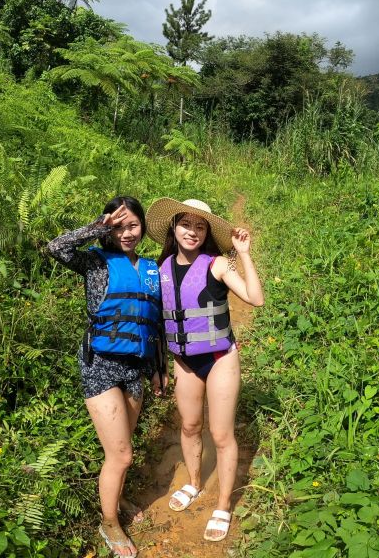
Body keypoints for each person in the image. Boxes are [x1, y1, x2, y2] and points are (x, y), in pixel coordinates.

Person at [44, 196, 164, 558]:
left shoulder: (150, 268)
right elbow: (56, 247)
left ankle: (119, 496)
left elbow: (153, 323)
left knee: (122, 446)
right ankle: (109, 523)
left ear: (143, 227)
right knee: (122, 454)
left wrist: (159, 370)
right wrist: (98, 225)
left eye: (133, 225)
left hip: (135, 367)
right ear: (109, 228)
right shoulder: (95, 262)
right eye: (119, 226)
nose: (127, 233)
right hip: (101, 364)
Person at [144, 197, 264, 542]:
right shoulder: (160, 268)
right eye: (186, 224)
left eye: (200, 226)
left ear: (207, 232)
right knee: (191, 424)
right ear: (173, 227)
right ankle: (195, 483)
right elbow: (157, 322)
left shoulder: (217, 265)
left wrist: (242, 253)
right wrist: (158, 365)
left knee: (221, 434)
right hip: (184, 360)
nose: (192, 232)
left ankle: (224, 504)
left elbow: (255, 299)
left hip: (220, 359)